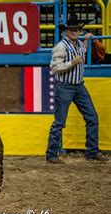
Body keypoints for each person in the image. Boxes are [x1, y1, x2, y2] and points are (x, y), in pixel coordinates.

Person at [45, 14, 108, 163]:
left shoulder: (79, 44)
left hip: (78, 86)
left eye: (76, 29)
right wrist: (72, 63)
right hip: (65, 87)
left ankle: (92, 151)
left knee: (92, 117)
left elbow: (82, 51)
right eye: (71, 29)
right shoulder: (61, 47)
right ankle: (51, 154)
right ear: (66, 31)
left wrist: (86, 40)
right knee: (60, 122)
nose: (74, 32)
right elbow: (54, 68)